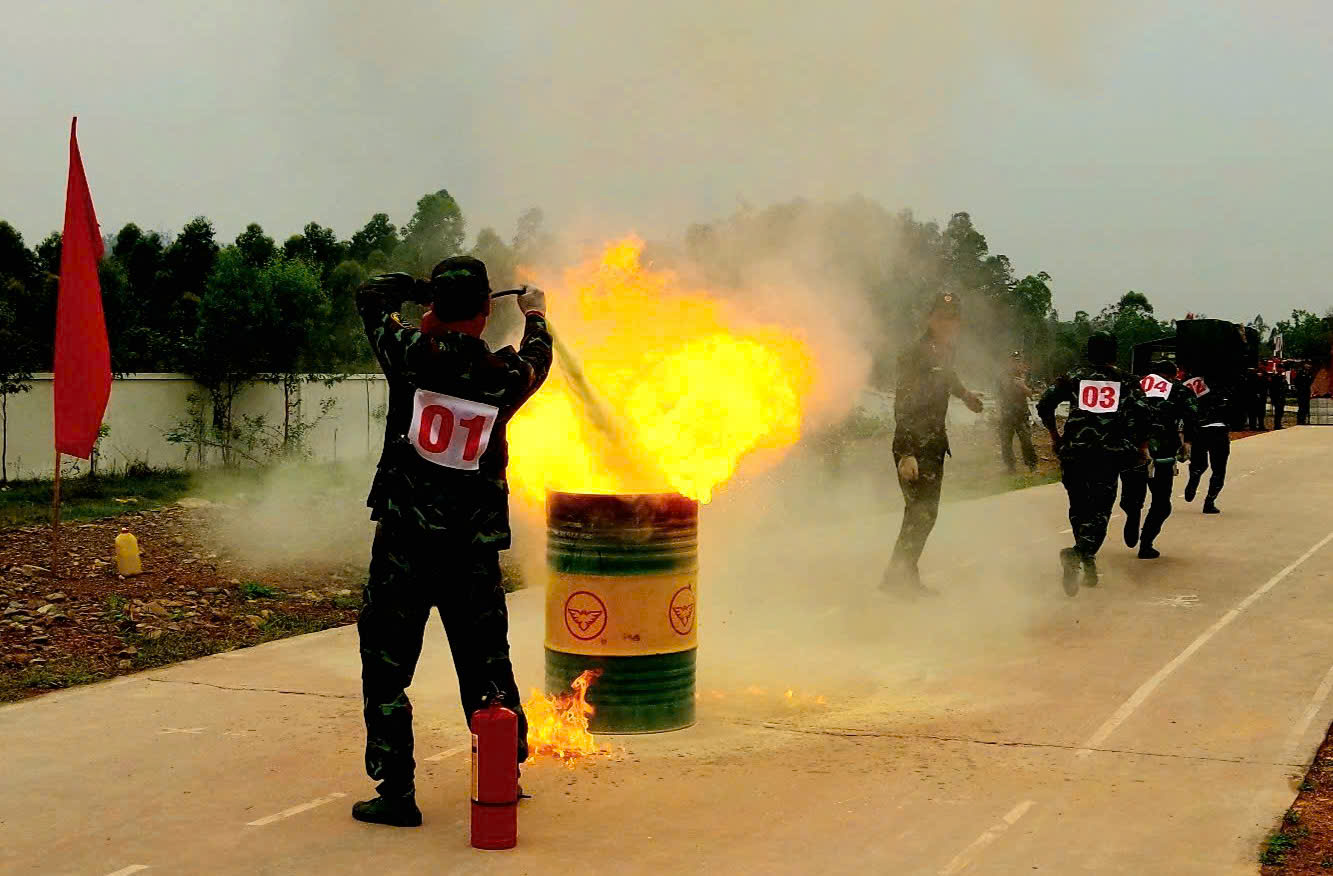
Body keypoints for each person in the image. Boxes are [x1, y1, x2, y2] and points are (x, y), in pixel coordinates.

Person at [351, 257, 552, 827]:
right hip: (471, 551)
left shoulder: (409, 354)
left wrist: (421, 291)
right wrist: (535, 314)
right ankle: (502, 774)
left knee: (386, 668)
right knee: (487, 664)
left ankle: (396, 792)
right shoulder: (503, 375)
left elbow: (371, 294)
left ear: (435, 307)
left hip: (404, 546)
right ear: (487, 310)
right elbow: (540, 357)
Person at [880, 290, 984, 599]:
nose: (948, 324)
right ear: (930, 319)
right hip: (914, 445)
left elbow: (948, 377)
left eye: (953, 319)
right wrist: (906, 453)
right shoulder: (915, 353)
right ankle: (898, 578)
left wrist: (966, 396)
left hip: (934, 444)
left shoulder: (945, 351)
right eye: (942, 318)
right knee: (920, 513)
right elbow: (903, 401)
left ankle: (901, 576)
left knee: (924, 514)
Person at [1038, 331, 1147, 595]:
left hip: (1074, 453)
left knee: (1079, 508)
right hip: (1107, 455)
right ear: (1114, 353)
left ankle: (1087, 563)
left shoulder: (1073, 377)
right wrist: (1141, 447)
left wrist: (1055, 437)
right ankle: (1077, 553)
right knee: (1099, 513)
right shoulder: (1128, 381)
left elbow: (1044, 404)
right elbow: (1144, 415)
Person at [1119, 361, 1195, 559]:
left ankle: (1133, 514)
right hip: (1162, 454)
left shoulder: (1133, 386)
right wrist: (1187, 442)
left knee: (1132, 496)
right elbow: (1193, 415)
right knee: (1161, 502)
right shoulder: (1179, 390)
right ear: (1173, 375)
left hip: (1132, 451)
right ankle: (1146, 544)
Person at [1182, 368, 1230, 514]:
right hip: (1219, 429)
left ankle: (1195, 475)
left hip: (1200, 429)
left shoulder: (1190, 385)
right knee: (1219, 469)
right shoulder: (1223, 384)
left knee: (1199, 463)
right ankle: (1209, 501)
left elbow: (1186, 411)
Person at [997, 352, 1037, 473]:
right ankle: (1010, 466)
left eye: (1018, 361)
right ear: (1009, 362)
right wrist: (998, 412)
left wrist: (1023, 386)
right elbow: (999, 395)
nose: (1015, 364)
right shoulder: (1002, 376)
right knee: (1006, 441)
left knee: (1026, 441)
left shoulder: (1026, 376)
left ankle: (1032, 465)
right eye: (1013, 361)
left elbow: (1033, 395)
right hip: (1006, 414)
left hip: (1021, 413)